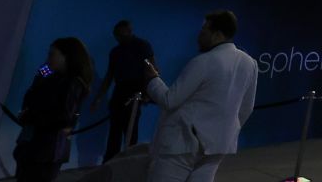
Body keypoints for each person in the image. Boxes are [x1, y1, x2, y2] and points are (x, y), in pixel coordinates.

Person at [144, 11, 257, 182]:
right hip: (218, 146)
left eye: (204, 31)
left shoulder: (204, 61)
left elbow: (169, 100)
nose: (199, 36)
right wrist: (224, 130)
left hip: (182, 145)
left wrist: (153, 79)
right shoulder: (250, 63)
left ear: (217, 35)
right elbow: (246, 108)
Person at [16, 37, 94, 182]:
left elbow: (62, 117)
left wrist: (29, 117)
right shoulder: (53, 77)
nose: (48, 58)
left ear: (67, 57)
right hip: (35, 146)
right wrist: (42, 73)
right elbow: (31, 95)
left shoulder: (72, 83)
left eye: (52, 54)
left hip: (46, 150)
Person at [91, 19, 155, 161]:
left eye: (121, 34)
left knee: (130, 130)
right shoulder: (116, 52)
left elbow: (151, 70)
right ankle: (110, 162)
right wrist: (99, 97)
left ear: (128, 31)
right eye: (117, 35)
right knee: (115, 129)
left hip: (134, 90)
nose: (119, 37)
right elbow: (110, 74)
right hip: (120, 91)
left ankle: (128, 162)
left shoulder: (142, 46)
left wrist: (147, 93)